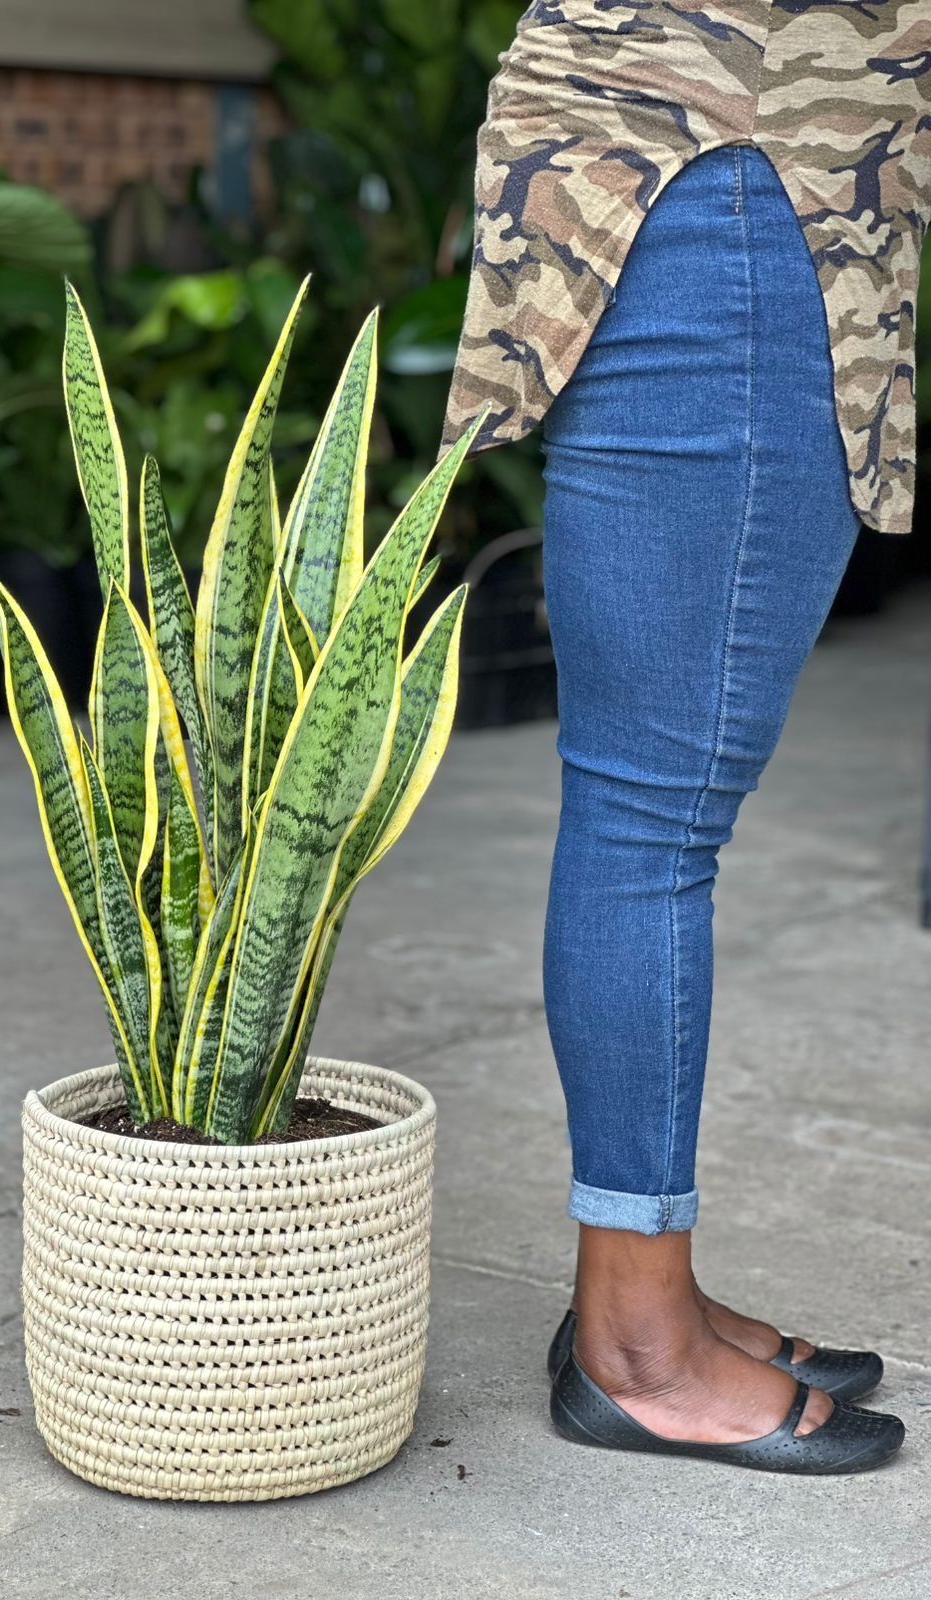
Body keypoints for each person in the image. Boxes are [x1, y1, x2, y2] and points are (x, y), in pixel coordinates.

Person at [439, 0, 930, 1473]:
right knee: (654, 819)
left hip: (728, 174)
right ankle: (639, 1351)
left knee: (650, 811)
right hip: (731, 180)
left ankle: (643, 1296)